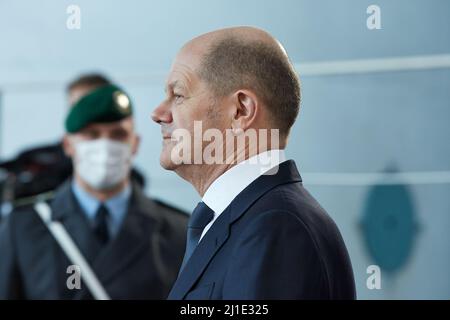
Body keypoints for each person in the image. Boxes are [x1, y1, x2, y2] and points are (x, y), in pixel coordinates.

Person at [151, 26, 356, 299]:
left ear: (241, 110)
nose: (158, 114)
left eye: (178, 95)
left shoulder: (277, 227)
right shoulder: (253, 218)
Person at [0, 81, 188, 299]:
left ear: (135, 144)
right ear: (68, 145)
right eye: (92, 134)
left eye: (118, 134)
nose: (105, 145)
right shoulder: (24, 227)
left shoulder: (179, 231)